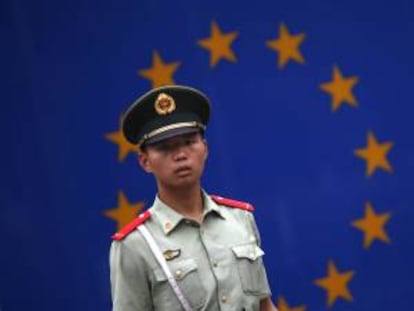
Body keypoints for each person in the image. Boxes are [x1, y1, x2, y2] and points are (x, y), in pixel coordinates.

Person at [109, 85, 278, 311]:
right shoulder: (135, 245)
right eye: (165, 147)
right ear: (145, 161)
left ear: (205, 149)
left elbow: (263, 305)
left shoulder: (240, 219)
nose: (180, 155)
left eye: (189, 142)